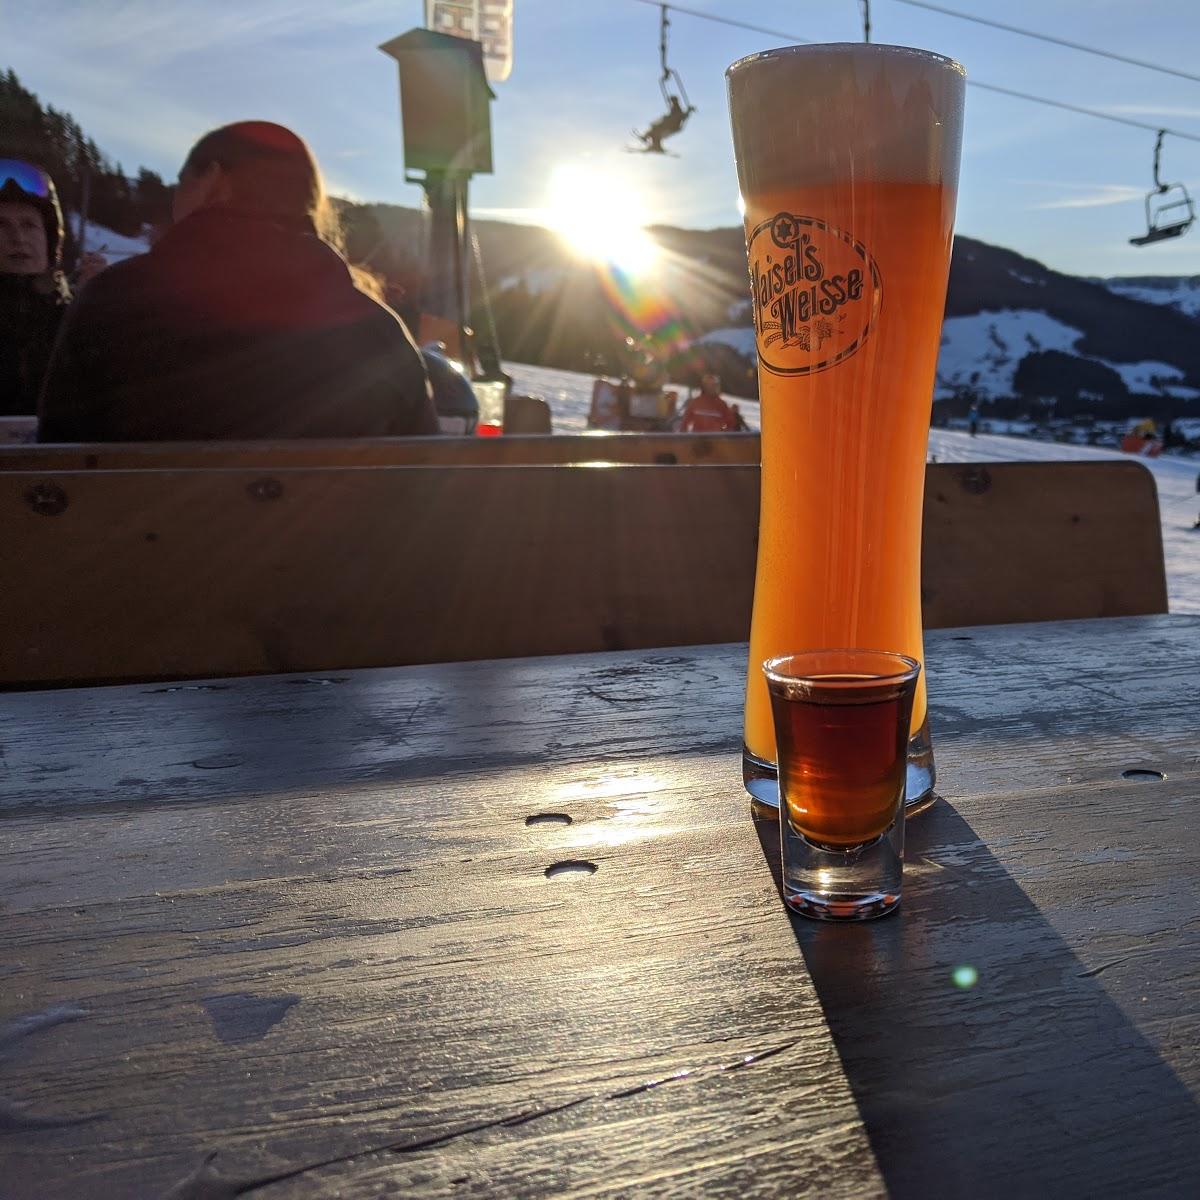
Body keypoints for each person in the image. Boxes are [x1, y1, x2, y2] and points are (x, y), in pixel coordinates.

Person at [39, 122, 438, 441]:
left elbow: (57, 459)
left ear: (214, 179)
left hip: (145, 540)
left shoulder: (110, 302)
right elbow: (422, 472)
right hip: (336, 543)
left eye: (183, 182)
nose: (175, 197)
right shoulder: (373, 327)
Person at [0, 159, 70, 416]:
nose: (17, 238)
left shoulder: (79, 324)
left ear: (49, 239)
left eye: (29, 225)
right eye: (1, 225)